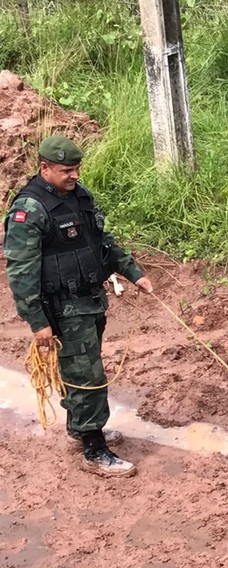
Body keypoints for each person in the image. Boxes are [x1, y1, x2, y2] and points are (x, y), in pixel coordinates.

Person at [3, 136, 153, 478]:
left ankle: (81, 427)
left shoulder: (79, 196)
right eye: (66, 170)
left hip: (90, 300)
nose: (74, 175)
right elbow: (21, 272)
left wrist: (133, 273)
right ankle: (94, 449)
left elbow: (102, 242)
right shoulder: (30, 210)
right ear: (44, 168)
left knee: (83, 368)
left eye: (76, 169)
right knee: (87, 375)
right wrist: (37, 322)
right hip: (63, 308)